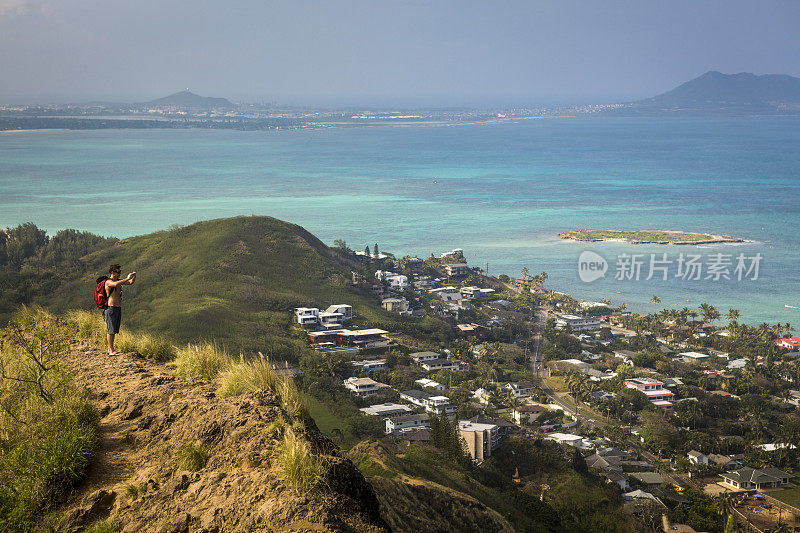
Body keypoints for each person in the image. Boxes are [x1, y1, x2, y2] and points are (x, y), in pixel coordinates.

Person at [104, 264, 135, 355]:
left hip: (117, 307)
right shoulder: (108, 282)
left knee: (114, 329)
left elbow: (130, 283)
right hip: (111, 307)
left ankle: (111, 349)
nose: (119, 273)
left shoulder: (118, 281)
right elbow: (115, 284)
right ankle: (111, 350)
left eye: (120, 271)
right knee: (111, 329)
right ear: (113, 272)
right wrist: (127, 278)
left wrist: (133, 277)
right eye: (118, 272)